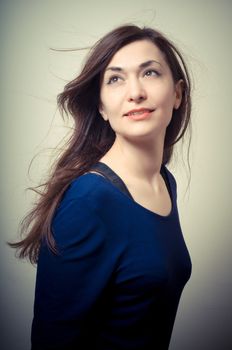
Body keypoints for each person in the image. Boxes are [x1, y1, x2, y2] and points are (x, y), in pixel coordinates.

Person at [10, 24, 192, 349]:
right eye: (115, 79)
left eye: (150, 73)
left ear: (177, 93)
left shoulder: (165, 182)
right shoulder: (88, 202)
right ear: (102, 107)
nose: (135, 92)